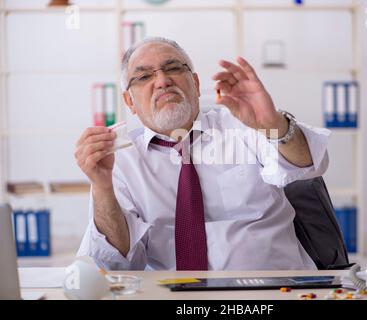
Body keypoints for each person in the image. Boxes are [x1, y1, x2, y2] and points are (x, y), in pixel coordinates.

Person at [75, 37, 331, 271]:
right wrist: (101, 187)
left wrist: (273, 124)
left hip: (274, 288)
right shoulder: (120, 160)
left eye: (174, 68)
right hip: (176, 298)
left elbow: (307, 164)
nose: (162, 81)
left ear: (196, 84)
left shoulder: (243, 123)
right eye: (143, 77)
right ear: (129, 101)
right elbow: (115, 262)